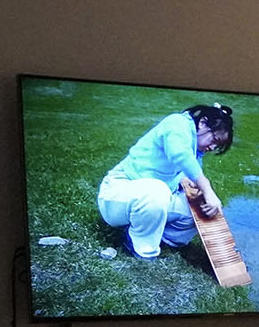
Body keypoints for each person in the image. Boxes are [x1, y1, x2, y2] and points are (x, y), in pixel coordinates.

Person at [97, 104, 234, 260]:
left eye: (218, 145)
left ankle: (163, 238)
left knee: (199, 208)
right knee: (157, 191)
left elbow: (190, 173)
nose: (213, 147)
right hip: (117, 196)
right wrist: (208, 189)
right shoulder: (177, 123)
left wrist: (200, 194)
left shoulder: (195, 149)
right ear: (202, 122)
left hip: (149, 200)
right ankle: (141, 247)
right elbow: (181, 155)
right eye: (215, 139)